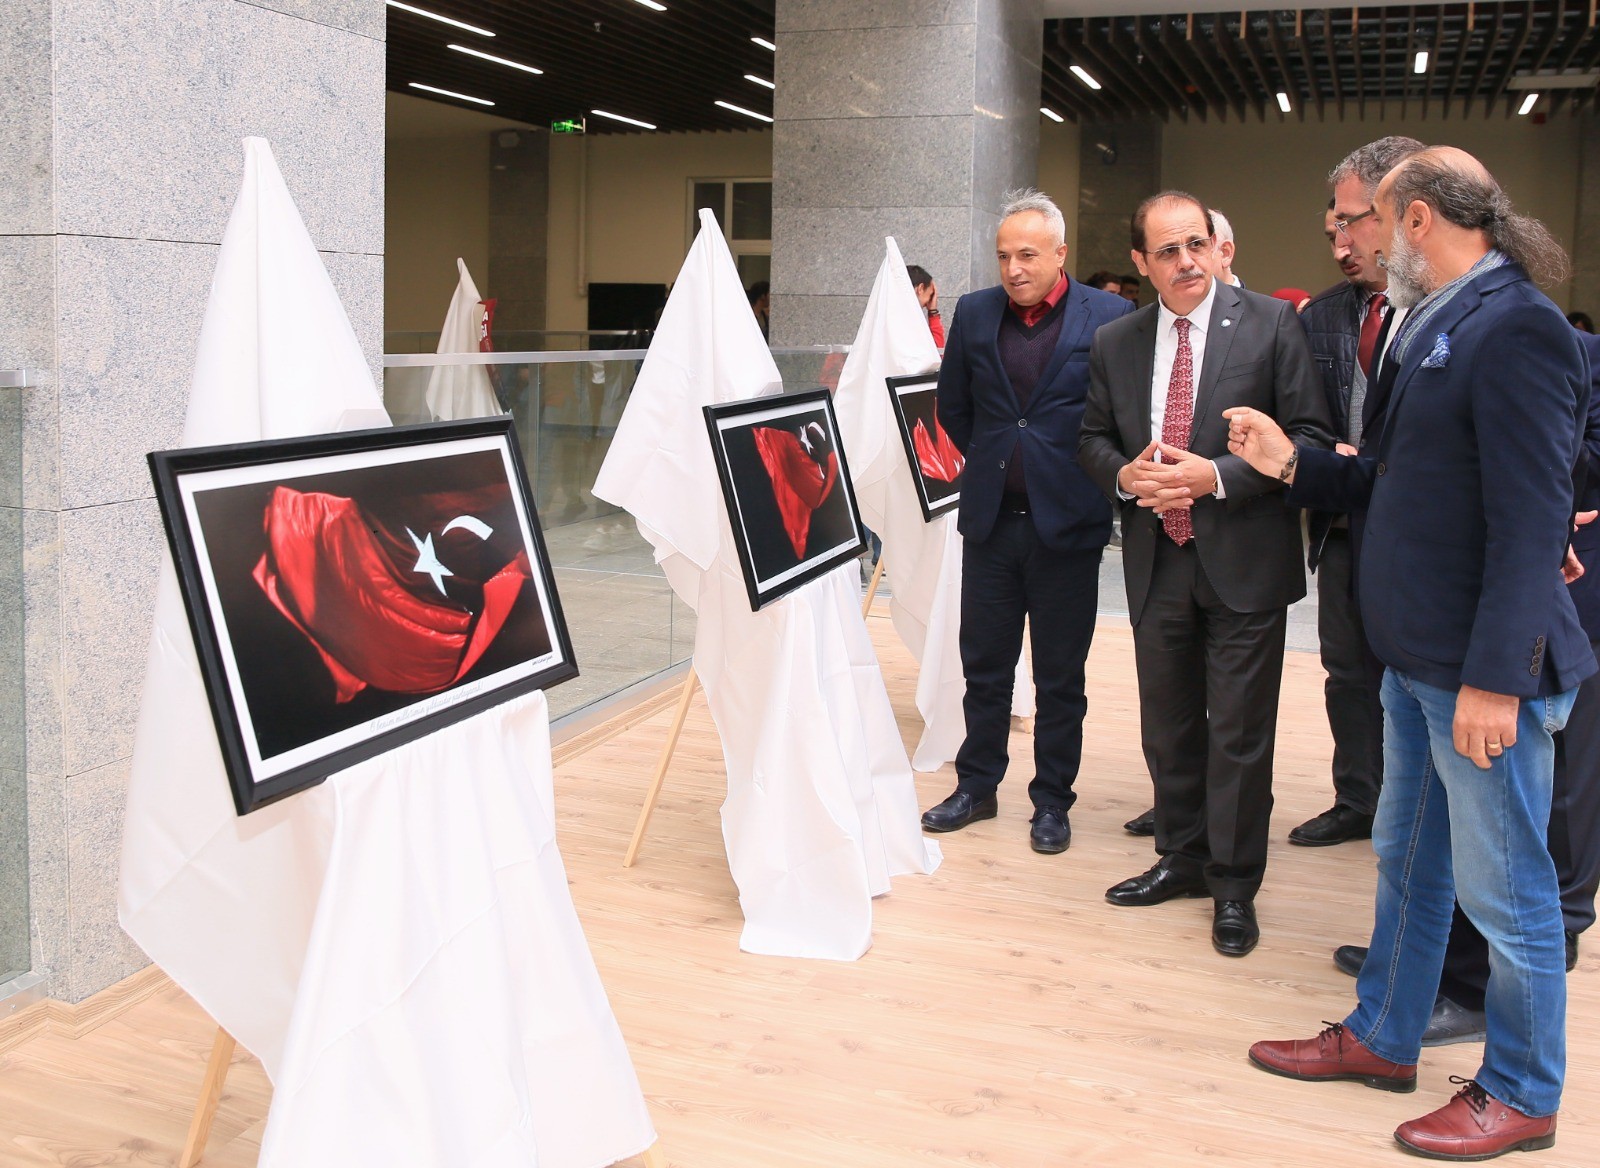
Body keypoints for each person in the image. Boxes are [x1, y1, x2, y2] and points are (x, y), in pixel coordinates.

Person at [1243, 147, 1594, 1162]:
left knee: (1509, 892)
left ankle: (1522, 1092)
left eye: (1368, 218)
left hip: (1476, 675)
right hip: (1415, 662)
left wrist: (1496, 674)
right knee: (1408, 861)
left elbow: (1534, 517)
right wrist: (1292, 463)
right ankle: (1384, 1034)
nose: (1350, 238)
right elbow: (1389, 480)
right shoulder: (1428, 324)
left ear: (1422, 221)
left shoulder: (1517, 326)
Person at [1077, 191, 1333, 956]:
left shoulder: (1270, 324)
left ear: (1216, 246)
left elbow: (1309, 438)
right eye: (1167, 251)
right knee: (1171, 729)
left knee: (1241, 735)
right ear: (1141, 263)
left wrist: (1213, 477)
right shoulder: (1116, 343)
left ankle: (1233, 884)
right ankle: (1182, 858)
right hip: (1157, 565)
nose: (1186, 261)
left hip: (1244, 563)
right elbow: (1090, 439)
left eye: (1196, 244)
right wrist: (1125, 477)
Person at [922, 188, 1134, 854]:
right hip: (990, 524)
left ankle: (1052, 802)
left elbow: (1118, 418)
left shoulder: (1111, 316)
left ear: (1060, 254)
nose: (1014, 268)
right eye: (1004, 255)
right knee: (983, 667)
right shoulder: (976, 313)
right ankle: (975, 787)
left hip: (1067, 529)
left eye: (1029, 255)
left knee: (1059, 677)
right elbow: (955, 409)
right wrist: (997, 456)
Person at [1294, 137, 1426, 849]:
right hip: (1345, 528)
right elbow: (1302, 422)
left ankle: (1414, 820)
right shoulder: (1321, 316)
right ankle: (1358, 799)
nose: (1341, 241)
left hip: (1423, 538)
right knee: (1347, 672)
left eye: (1353, 221)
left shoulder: (1447, 312)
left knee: (1416, 681)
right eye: (1333, 228)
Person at [906, 264, 944, 347]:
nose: (927, 303)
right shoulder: (910, 323)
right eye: (930, 295)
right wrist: (933, 313)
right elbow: (936, 353)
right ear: (920, 288)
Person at [1209, 209, 1243, 287]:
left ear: (1225, 253)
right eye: (1174, 250)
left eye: (1196, 245)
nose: (1185, 262)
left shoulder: (1259, 299)